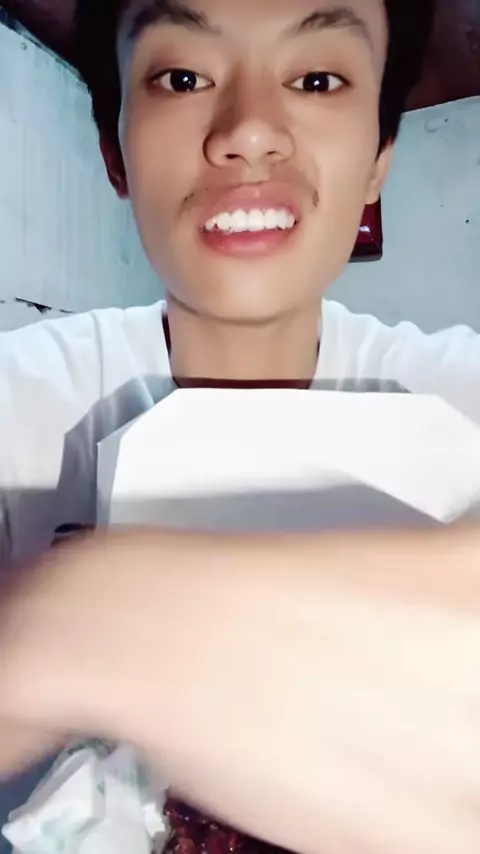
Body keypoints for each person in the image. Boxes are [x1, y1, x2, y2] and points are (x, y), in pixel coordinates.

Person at [3, 0, 480, 851]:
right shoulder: (21, 401)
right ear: (113, 149)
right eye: (183, 77)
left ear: (379, 156)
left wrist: (91, 616)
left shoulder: (460, 397)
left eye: (317, 79)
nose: (250, 131)